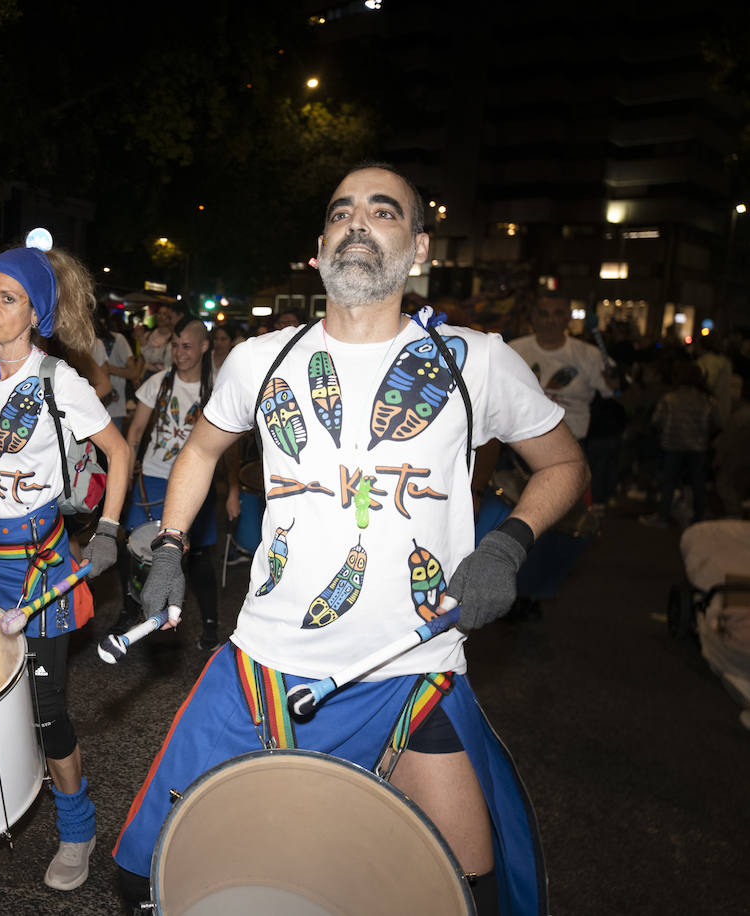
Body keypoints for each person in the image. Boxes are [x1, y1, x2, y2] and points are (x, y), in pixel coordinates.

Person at [113, 164, 587, 916]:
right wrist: (170, 544)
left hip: (413, 672)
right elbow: (201, 451)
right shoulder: (259, 359)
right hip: (264, 665)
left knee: (468, 897)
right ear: (320, 246)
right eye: (342, 212)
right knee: (162, 878)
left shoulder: (476, 361)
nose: (358, 222)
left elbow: (564, 463)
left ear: (419, 248)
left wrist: (509, 545)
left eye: (383, 210)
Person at [0, 234, 133, 892]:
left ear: (36, 315)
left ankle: (78, 829)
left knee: (47, 709)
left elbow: (120, 452)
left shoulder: (60, 381)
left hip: (38, 568)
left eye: (9, 298)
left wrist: (107, 531)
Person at [115, 315, 223, 650]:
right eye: (175, 346)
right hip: (153, 479)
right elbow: (134, 433)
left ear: (204, 347)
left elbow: (228, 448)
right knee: (133, 549)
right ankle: (130, 607)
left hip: (195, 484)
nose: (179, 352)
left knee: (199, 555)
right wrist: (128, 480)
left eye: (186, 346)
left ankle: (210, 622)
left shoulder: (218, 386)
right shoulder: (159, 382)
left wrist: (231, 490)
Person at [508, 297, 614, 442]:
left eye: (558, 314)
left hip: (574, 442)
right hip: (519, 442)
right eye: (544, 314)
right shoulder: (513, 350)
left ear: (568, 318)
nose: (551, 321)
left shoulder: (589, 355)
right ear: (533, 317)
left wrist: (615, 383)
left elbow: (617, 391)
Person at [640, 359, 712, 528]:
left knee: (669, 481)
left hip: (673, 445)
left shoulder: (670, 398)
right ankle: (698, 517)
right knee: (697, 482)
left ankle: (662, 516)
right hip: (698, 446)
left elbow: (656, 420)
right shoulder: (705, 399)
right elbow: (715, 421)